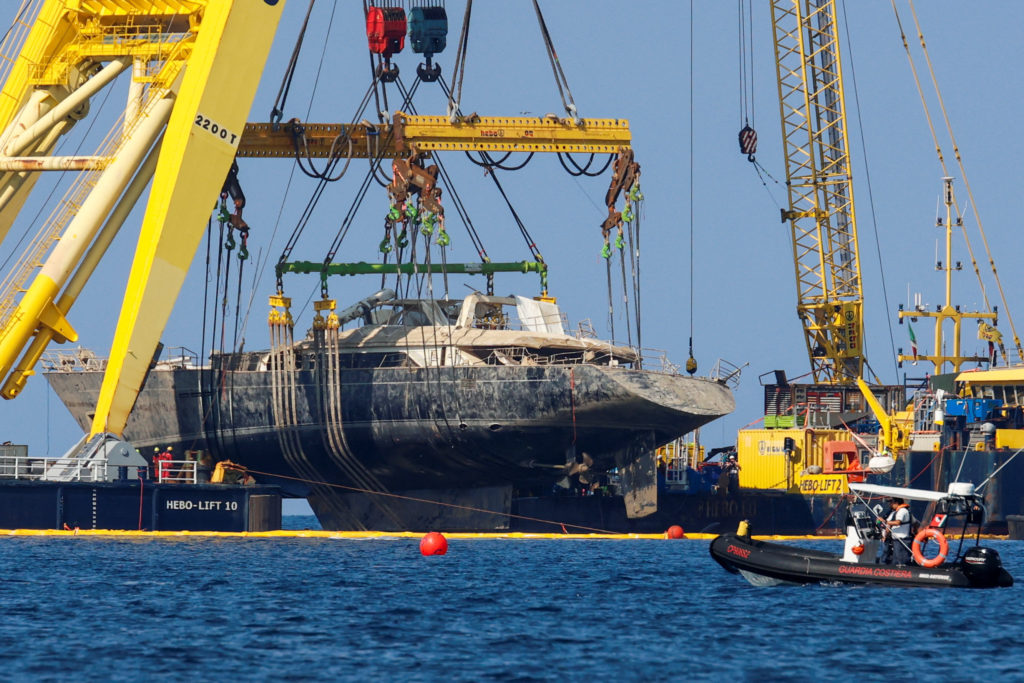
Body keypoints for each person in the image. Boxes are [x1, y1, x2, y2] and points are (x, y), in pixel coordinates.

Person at [883, 497, 913, 565]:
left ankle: (902, 568)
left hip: (901, 539)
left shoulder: (902, 511)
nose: (890, 504)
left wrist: (885, 522)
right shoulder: (895, 512)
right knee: (895, 558)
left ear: (896, 503)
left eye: (891, 503)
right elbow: (889, 525)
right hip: (896, 539)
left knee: (901, 558)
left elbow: (898, 522)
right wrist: (885, 535)